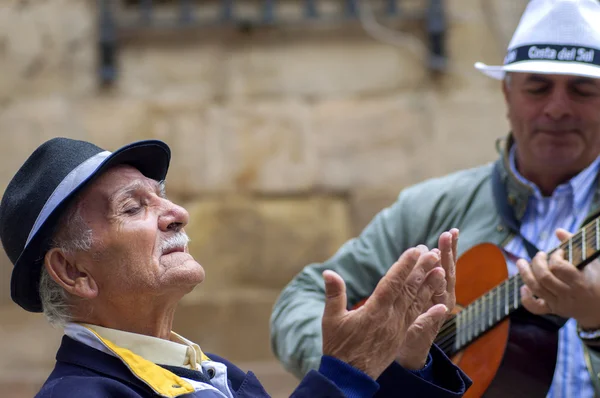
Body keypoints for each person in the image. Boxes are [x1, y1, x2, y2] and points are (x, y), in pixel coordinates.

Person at [270, 0, 600, 397]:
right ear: (507, 93)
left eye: (583, 90)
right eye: (537, 87)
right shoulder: (432, 206)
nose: (557, 108)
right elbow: (302, 300)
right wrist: (364, 361)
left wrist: (595, 322)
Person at [0, 137, 471, 398]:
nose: (177, 213)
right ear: (74, 271)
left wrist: (404, 363)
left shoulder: (213, 372)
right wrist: (346, 372)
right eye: (132, 208)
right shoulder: (81, 396)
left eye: (161, 194)